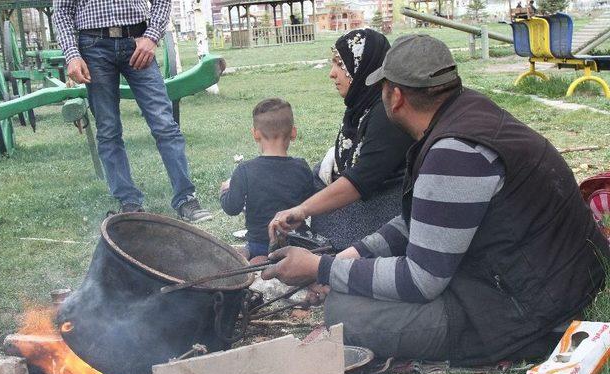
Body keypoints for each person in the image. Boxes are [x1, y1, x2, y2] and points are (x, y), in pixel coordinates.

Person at [264, 34, 610, 366]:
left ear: (395, 96)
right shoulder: (466, 113)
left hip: (532, 306)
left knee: (344, 312)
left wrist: (321, 268)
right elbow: (422, 218)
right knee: (352, 286)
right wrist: (353, 255)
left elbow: (421, 279)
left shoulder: (453, 153)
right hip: (545, 277)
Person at [53, 0, 212, 222]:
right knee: (108, 129)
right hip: (93, 46)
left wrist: (152, 36)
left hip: (138, 42)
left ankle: (186, 199)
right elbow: (62, 12)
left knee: (164, 124)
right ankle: (129, 203)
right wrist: (72, 55)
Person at [269, 29, 414, 250]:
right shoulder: (361, 107)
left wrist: (303, 209)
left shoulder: (387, 114)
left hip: (387, 207)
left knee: (316, 245)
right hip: (367, 199)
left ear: (363, 65)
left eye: (340, 64)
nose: (332, 73)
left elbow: (361, 180)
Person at [220, 99, 314, 261]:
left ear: (256, 134)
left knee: (253, 257)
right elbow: (310, 204)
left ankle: (258, 261)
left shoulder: (245, 170)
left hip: (259, 243)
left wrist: (225, 191)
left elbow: (232, 208)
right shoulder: (302, 167)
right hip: (297, 241)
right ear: (293, 133)